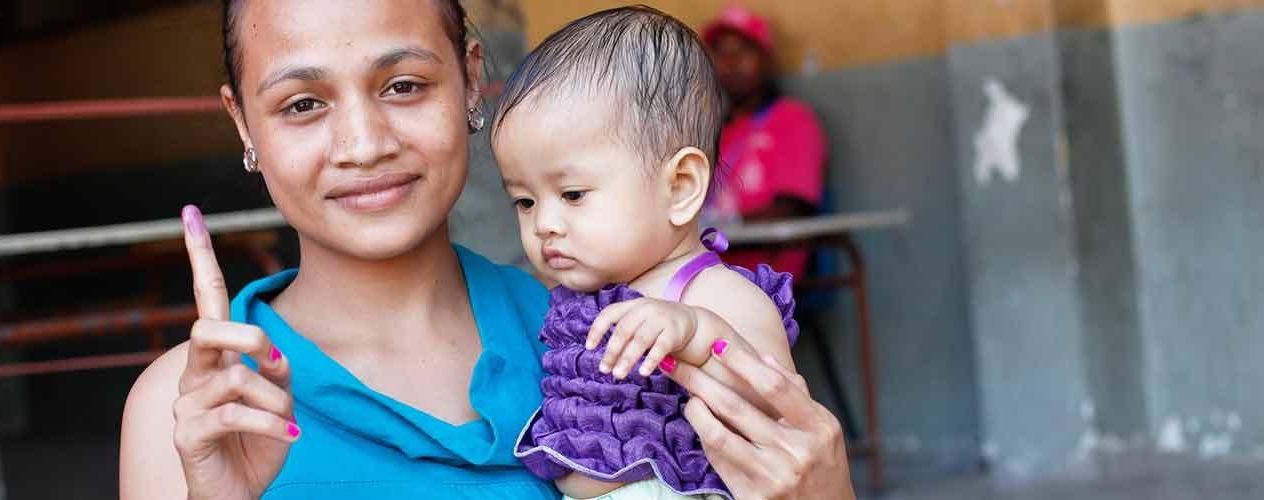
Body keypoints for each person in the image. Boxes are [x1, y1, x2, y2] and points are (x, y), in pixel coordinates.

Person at [118, 1, 854, 499]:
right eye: (302, 104)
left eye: (403, 84)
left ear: (472, 80)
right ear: (243, 123)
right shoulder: (189, 411)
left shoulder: (615, 335)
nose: (365, 144)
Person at [490, 7, 805, 500]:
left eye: (572, 195)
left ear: (680, 187)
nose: (544, 223)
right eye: (525, 201)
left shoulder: (710, 291)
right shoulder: (582, 297)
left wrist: (698, 333)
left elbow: (775, 402)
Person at [703, 4, 830, 277]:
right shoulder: (714, 131)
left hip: (764, 274)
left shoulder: (792, 119)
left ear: (766, 60)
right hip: (708, 269)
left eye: (743, 51)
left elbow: (791, 209)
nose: (731, 63)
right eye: (722, 54)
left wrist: (724, 227)